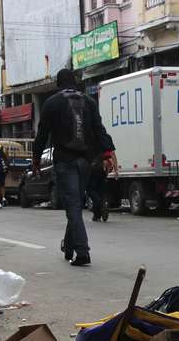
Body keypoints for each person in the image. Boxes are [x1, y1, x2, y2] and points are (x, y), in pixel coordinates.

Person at [32, 68, 116, 266]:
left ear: (58, 84)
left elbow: (42, 134)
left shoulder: (52, 103)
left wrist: (36, 159)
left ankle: (82, 251)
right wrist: (107, 154)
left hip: (65, 161)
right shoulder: (89, 101)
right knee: (76, 204)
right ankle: (68, 247)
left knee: (73, 206)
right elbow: (99, 129)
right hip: (86, 161)